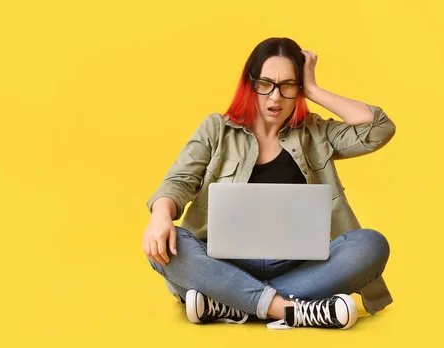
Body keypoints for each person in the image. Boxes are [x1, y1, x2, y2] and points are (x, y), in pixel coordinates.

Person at [142, 37, 395, 330]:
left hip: (297, 265)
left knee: (370, 244)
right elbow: (179, 180)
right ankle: (290, 310)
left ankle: (227, 303)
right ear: (250, 84)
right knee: (164, 245)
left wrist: (314, 89)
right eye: (265, 83)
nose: (275, 98)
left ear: (298, 88)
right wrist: (160, 215)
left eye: (288, 85)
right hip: (224, 263)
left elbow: (379, 129)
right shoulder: (217, 129)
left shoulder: (316, 133)